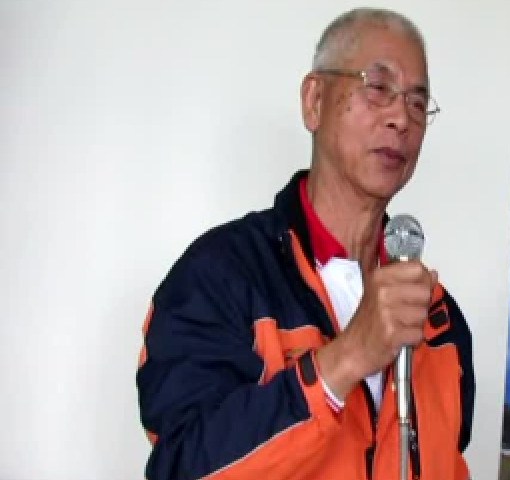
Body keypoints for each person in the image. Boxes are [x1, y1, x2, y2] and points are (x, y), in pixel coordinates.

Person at [136, 8, 475, 480]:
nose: (401, 118)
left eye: (418, 103)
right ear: (314, 100)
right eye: (378, 88)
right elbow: (182, 466)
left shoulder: (437, 319)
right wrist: (345, 359)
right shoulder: (219, 277)